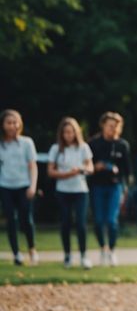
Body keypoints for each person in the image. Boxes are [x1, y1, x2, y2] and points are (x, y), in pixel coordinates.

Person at [47, 118, 95, 269]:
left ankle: (83, 255)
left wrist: (81, 170)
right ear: (61, 134)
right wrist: (67, 174)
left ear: (76, 132)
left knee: (81, 223)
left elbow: (90, 167)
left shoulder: (83, 148)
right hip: (63, 190)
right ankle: (67, 255)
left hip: (80, 190)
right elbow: (51, 171)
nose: (69, 135)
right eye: (66, 132)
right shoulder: (56, 149)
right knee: (66, 222)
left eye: (71, 132)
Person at [87, 111, 131, 267]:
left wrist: (126, 188)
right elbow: (86, 166)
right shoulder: (93, 144)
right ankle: (102, 248)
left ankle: (112, 250)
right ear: (103, 126)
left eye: (116, 126)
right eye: (110, 126)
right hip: (97, 186)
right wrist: (95, 167)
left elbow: (127, 171)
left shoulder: (122, 145)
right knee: (98, 221)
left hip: (115, 186)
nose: (113, 129)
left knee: (112, 221)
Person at [0, 110, 38, 266]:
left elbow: (32, 166)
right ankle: (16, 253)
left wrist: (33, 185)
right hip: (6, 186)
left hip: (24, 185)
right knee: (11, 219)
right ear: (3, 125)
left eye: (15, 122)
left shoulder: (27, 143)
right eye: (9, 122)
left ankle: (32, 248)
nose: (12, 126)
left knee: (26, 219)